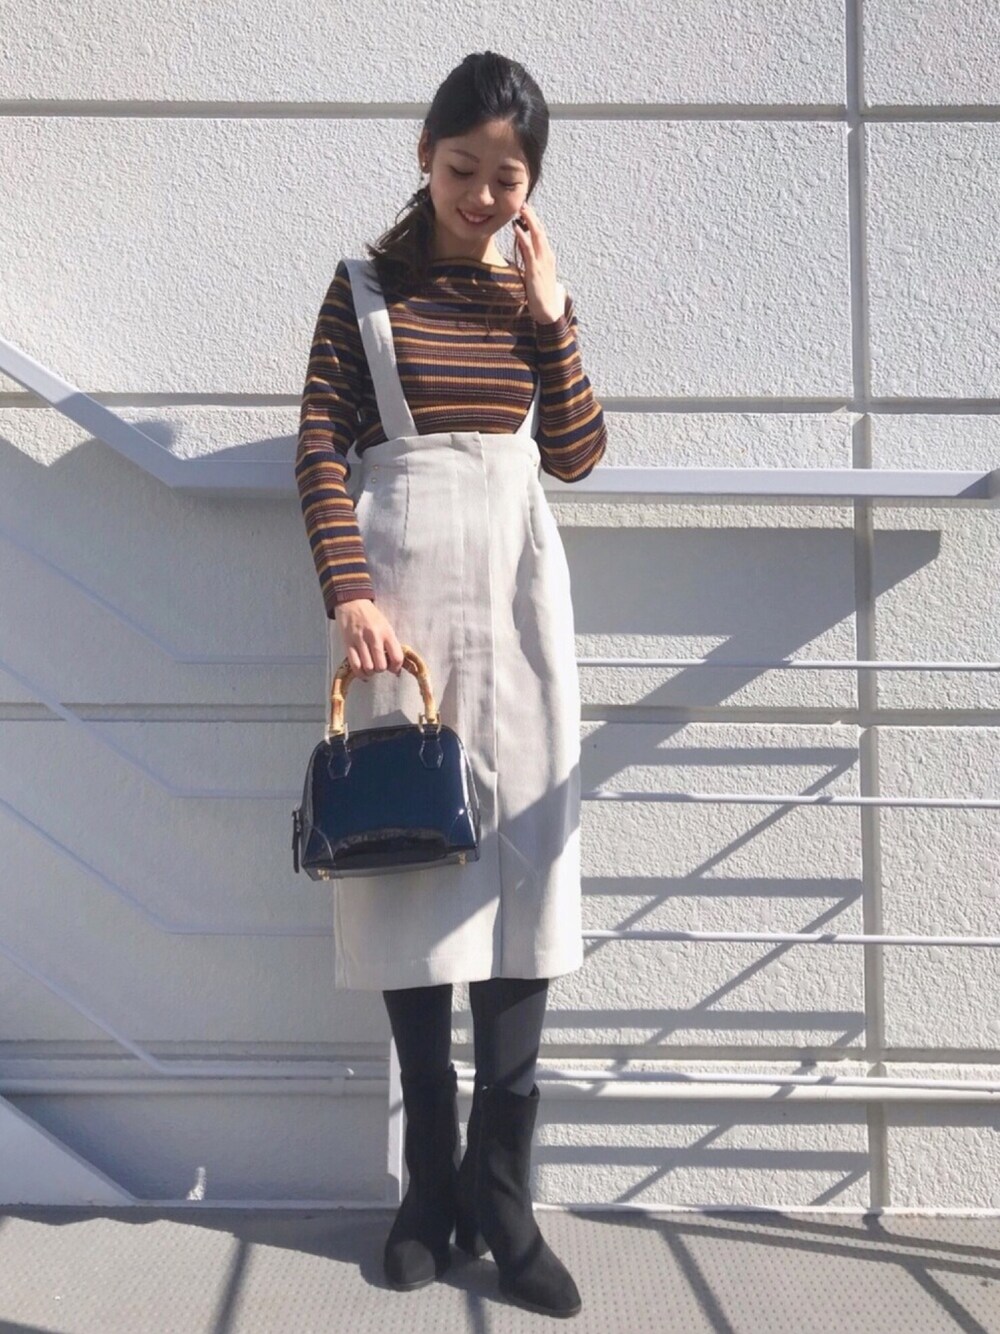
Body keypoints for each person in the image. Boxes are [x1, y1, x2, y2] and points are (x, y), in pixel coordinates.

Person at [295, 50, 606, 1319]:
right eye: (462, 166)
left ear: (531, 186)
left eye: (505, 177)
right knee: (411, 876)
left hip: (521, 612)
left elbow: (575, 453)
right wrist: (351, 594)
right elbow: (321, 442)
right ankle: (429, 1188)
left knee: (523, 880)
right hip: (402, 622)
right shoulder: (364, 287)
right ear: (424, 156)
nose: (480, 194)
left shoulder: (529, 297)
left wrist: (553, 313)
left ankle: (506, 1200)